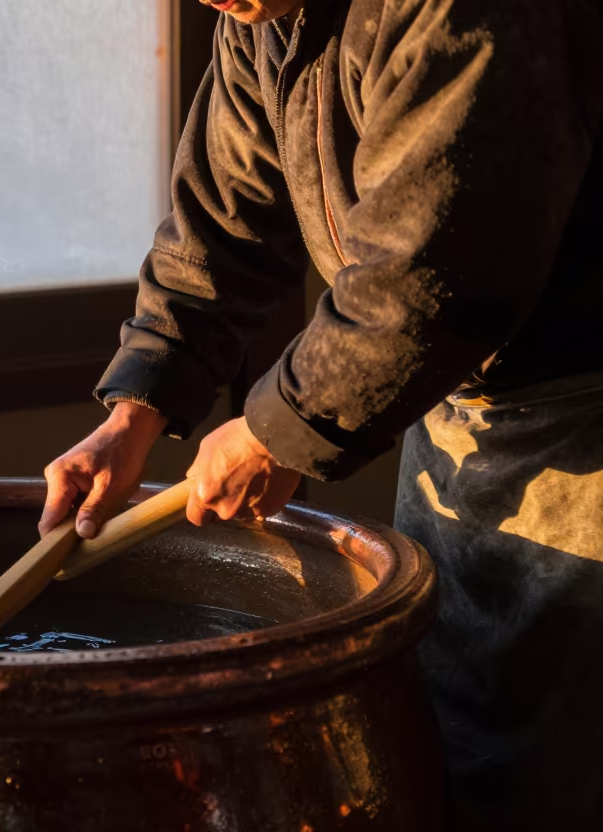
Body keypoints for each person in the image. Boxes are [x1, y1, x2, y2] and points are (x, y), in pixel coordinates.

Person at [39, 0, 603, 828]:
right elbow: (221, 227)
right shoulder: (265, 18)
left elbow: (431, 275)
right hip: (454, 408)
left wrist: (278, 429)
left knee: (549, 771)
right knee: (445, 735)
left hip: (581, 407)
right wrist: (135, 411)